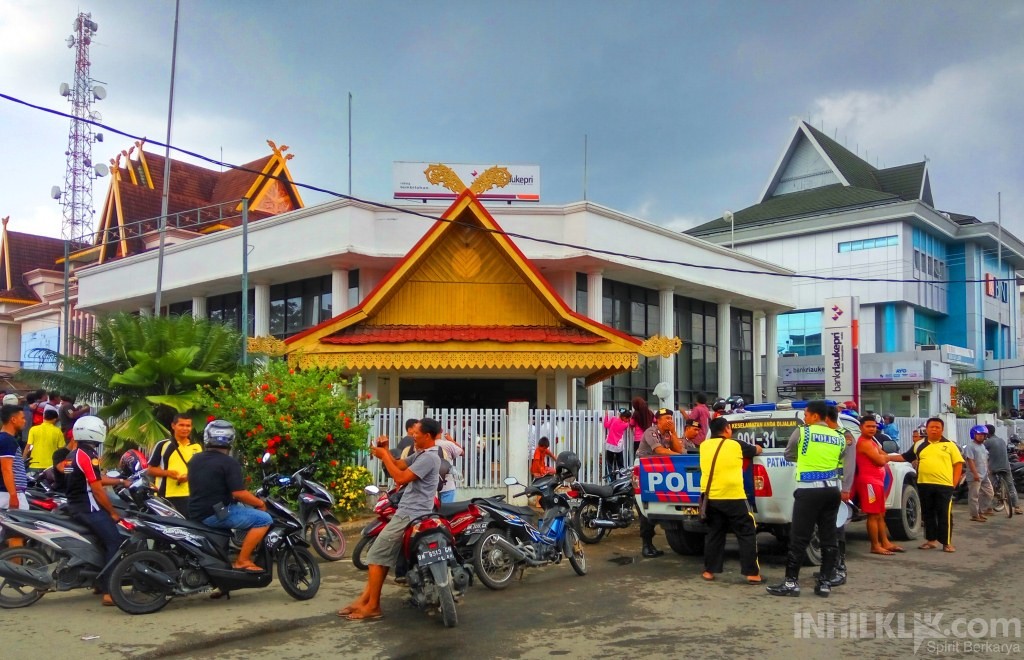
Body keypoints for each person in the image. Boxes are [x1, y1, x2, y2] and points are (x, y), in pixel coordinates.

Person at [339, 418, 442, 621]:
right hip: (408, 512)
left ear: (427, 436)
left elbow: (400, 478)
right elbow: (398, 464)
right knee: (382, 558)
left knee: (375, 555)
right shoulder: (421, 454)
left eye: (416, 433)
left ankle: (373, 606)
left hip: (410, 514)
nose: (413, 435)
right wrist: (385, 451)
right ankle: (364, 601)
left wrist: (384, 455)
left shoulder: (429, 458)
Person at [767, 400, 845, 598]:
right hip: (832, 491)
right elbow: (839, 458)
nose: (804, 418)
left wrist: (805, 460)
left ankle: (791, 583)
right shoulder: (839, 436)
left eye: (806, 414)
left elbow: (789, 454)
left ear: (815, 416)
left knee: (799, 537)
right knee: (829, 537)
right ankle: (825, 583)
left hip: (809, 491)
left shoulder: (803, 432)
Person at [187, 420, 273, 572]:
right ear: (231, 439)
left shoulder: (195, 459)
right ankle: (243, 560)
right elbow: (238, 493)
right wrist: (259, 503)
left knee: (239, 508)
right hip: (214, 514)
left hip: (196, 511)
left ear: (207, 437)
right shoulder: (229, 462)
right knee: (264, 519)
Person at [64, 416, 129, 606]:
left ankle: (98, 583)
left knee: (102, 542)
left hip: (75, 505)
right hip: (89, 507)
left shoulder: (73, 454)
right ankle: (109, 592)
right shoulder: (88, 455)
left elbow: (95, 478)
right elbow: (97, 489)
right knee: (115, 541)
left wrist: (121, 481)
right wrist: (113, 513)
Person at [700, 416, 763, 583]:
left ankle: (709, 571)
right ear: (727, 429)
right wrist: (757, 447)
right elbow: (757, 450)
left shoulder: (704, 446)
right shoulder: (736, 445)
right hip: (733, 496)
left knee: (715, 533)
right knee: (747, 531)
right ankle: (752, 573)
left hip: (710, 497)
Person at [888, 417, 964, 552]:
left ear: (942, 430)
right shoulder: (919, 444)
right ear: (926, 429)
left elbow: (958, 464)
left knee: (944, 514)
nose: (934, 430)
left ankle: (946, 543)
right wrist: (886, 457)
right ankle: (931, 540)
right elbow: (905, 457)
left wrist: (954, 484)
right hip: (924, 484)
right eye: (931, 427)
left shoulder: (950, 445)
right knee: (928, 513)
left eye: (937, 427)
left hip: (945, 485)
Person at [636, 408, 683, 558]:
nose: (669, 420)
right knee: (646, 512)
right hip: (645, 474)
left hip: (661, 474)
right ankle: (646, 546)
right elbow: (660, 451)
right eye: (666, 418)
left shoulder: (668, 434)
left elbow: (680, 450)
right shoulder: (651, 432)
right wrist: (678, 456)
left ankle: (651, 545)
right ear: (658, 420)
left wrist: (673, 433)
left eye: (671, 418)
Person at [853, 417, 903, 554]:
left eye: (874, 426)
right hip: (869, 483)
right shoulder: (864, 443)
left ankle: (885, 543)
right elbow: (881, 460)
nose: (872, 429)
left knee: (881, 514)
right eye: (868, 426)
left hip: (877, 482)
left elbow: (884, 456)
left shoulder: (872, 442)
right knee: (873, 515)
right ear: (861, 428)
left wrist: (885, 457)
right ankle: (875, 546)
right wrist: (884, 457)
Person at [147, 414, 202, 516]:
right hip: (165, 495)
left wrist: (188, 476)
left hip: (190, 495)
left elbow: (200, 470)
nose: (185, 428)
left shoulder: (197, 447)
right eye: (181, 425)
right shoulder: (163, 445)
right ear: (173, 426)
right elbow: (150, 470)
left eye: (188, 426)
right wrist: (168, 473)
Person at [984, 427, 1022, 515]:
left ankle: (989, 509)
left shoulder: (987, 442)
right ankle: (1017, 507)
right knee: (1011, 486)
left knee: (989, 487)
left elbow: (981, 452)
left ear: (987, 433)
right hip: (1006, 466)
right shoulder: (1002, 440)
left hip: (993, 468)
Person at [0, 404, 29, 512]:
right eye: (22, 418)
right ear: (13, 420)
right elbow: (6, 469)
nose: (25, 421)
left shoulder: (4, 439)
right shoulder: (7, 440)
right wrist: (13, 495)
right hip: (9, 494)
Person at [963, 425, 994, 523]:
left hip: (984, 475)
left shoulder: (982, 446)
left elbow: (985, 459)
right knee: (974, 496)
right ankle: (975, 515)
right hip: (974, 476)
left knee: (990, 493)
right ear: (974, 435)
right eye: (979, 435)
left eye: (983, 435)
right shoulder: (970, 446)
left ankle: (981, 511)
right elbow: (970, 461)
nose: (981, 436)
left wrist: (987, 469)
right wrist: (975, 474)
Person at [435, 431, 464, 503]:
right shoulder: (447, 444)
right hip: (447, 484)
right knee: (447, 509)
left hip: (430, 486)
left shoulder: (424, 446)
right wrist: (451, 440)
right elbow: (462, 452)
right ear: (441, 430)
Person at [603, 408, 631, 477]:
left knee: (609, 463)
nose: (628, 420)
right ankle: (622, 477)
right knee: (620, 464)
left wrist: (606, 416)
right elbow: (628, 423)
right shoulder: (625, 425)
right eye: (628, 418)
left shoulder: (613, 419)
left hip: (610, 445)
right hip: (618, 446)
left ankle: (610, 478)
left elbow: (606, 425)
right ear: (624, 417)